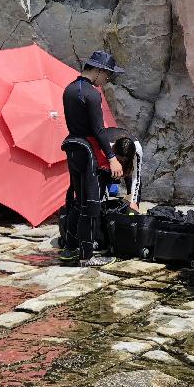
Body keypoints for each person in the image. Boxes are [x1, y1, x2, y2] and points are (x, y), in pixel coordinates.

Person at [59, 50, 124, 266]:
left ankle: (69, 249)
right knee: (91, 205)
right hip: (88, 153)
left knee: (78, 201)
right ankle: (86, 257)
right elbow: (98, 129)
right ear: (98, 70)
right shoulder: (92, 94)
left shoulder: (69, 90)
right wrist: (112, 157)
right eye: (107, 74)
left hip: (73, 149)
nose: (107, 79)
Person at [103, 126, 142, 212]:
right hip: (107, 153)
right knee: (106, 175)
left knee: (131, 178)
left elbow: (136, 176)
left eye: (124, 160)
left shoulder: (137, 149)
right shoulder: (107, 145)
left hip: (125, 157)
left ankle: (133, 208)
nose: (121, 162)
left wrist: (134, 201)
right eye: (119, 159)